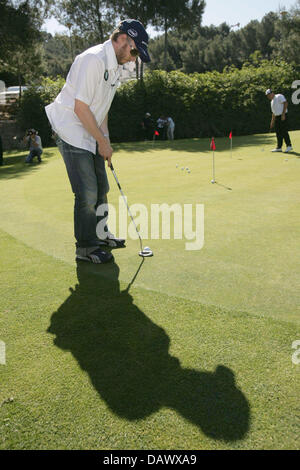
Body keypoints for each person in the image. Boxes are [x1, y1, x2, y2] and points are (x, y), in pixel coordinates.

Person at [45, 19, 150, 264]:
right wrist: (101, 141)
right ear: (122, 39)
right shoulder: (93, 60)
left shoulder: (115, 66)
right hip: (70, 128)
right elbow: (81, 108)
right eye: (134, 51)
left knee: (102, 187)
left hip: (89, 128)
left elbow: (101, 109)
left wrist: (106, 141)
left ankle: (101, 235)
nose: (134, 59)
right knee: (87, 191)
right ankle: (86, 248)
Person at [265, 89, 293, 153]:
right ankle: (279, 147)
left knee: (284, 131)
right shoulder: (271, 102)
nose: (268, 96)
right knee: (278, 132)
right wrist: (272, 121)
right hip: (277, 117)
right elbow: (273, 113)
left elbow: (285, 103)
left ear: (272, 93)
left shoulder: (279, 96)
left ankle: (289, 145)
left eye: (269, 94)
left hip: (283, 115)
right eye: (267, 96)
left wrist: (283, 114)